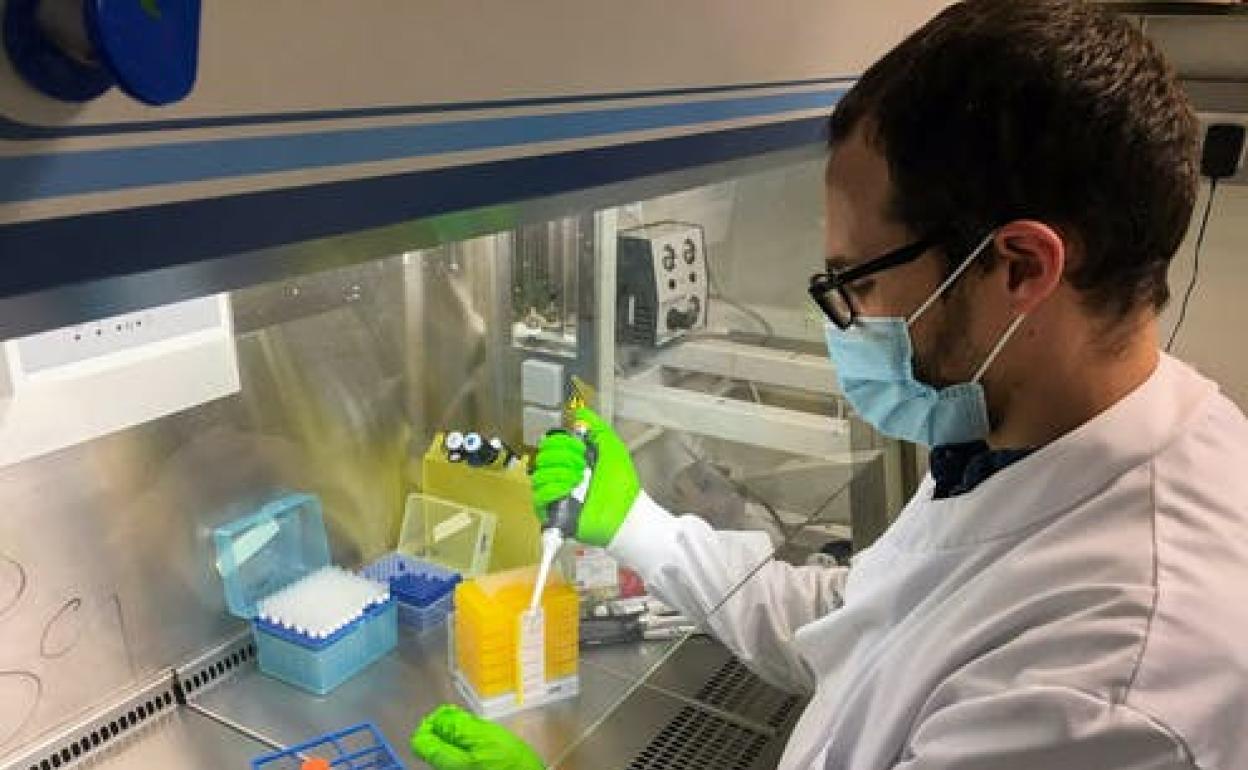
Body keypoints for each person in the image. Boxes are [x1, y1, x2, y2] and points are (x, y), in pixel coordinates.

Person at [411, 1, 1248, 767]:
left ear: (1021, 266)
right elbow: (859, 622)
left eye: (860, 281)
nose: (847, 320)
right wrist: (636, 525)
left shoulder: (1117, 684)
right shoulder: (1021, 439)